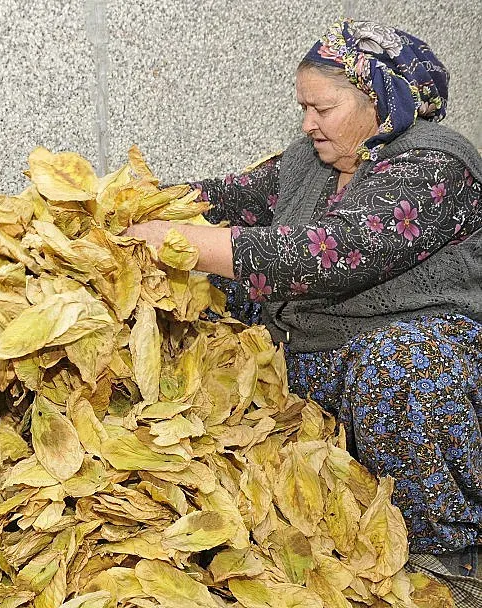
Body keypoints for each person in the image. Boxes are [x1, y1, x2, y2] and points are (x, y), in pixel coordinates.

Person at [128, 19, 482, 586]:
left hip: (399, 356)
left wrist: (187, 245)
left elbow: (333, 252)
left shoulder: (437, 164)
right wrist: (130, 206)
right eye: (303, 107)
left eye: (323, 108)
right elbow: (230, 198)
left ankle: (453, 556)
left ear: (380, 98)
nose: (307, 123)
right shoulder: (313, 160)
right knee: (198, 315)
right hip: (309, 351)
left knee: (401, 368)